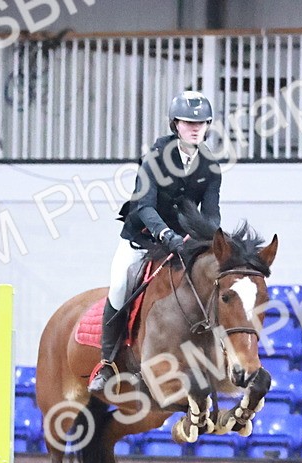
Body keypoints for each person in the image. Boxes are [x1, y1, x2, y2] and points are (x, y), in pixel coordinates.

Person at [88, 90, 222, 394]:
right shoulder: (155, 159)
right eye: (188, 123)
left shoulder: (210, 167)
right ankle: (107, 363)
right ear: (175, 124)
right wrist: (166, 234)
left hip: (183, 244)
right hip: (144, 238)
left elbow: (212, 214)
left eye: (200, 123)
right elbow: (145, 206)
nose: (195, 128)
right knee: (120, 285)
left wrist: (207, 237)